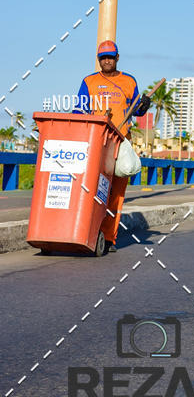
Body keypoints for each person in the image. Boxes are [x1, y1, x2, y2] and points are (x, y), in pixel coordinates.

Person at [73, 41, 150, 250]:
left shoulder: (129, 81)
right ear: (98, 60)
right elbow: (79, 111)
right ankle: (84, 232)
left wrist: (143, 107)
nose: (106, 60)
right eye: (102, 58)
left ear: (117, 57)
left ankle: (108, 238)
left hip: (120, 143)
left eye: (110, 57)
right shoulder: (89, 82)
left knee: (115, 194)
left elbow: (136, 110)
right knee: (93, 190)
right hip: (96, 142)